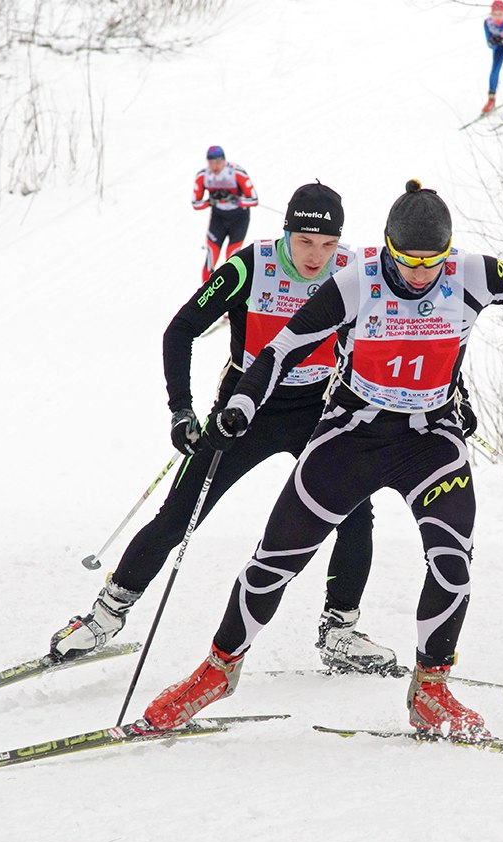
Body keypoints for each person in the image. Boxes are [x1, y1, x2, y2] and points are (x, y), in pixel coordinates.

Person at [138, 180, 503, 740]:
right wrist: (242, 404)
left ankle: (431, 689)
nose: (420, 274)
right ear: (387, 247)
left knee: (452, 565)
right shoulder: (356, 281)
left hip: (430, 439)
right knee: (274, 562)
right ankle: (217, 671)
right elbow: (281, 349)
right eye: (408, 261)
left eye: (432, 262)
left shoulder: (472, 274)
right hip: (352, 434)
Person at [50, 182, 399, 676]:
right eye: (304, 242)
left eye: (326, 244)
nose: (315, 256)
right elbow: (181, 329)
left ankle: (339, 630)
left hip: (317, 407)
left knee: (355, 514)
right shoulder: (250, 265)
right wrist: (181, 410)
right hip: (245, 407)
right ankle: (105, 616)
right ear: (286, 233)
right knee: (179, 514)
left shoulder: (355, 269)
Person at [192, 145, 258, 283]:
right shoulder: (203, 176)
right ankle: (204, 295)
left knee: (232, 260)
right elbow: (195, 204)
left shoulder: (236, 173)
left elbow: (254, 200)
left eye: (218, 162)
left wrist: (236, 200)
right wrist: (210, 201)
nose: (215, 167)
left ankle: (228, 298)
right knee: (211, 256)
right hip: (218, 219)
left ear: (224, 161)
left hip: (239, 219)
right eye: (211, 163)